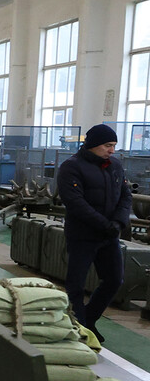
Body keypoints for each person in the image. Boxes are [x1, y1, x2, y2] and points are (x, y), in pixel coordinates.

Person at [58, 123, 132, 344]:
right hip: (83, 236)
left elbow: (125, 196)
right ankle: (78, 330)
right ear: (92, 145)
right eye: (107, 145)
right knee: (76, 285)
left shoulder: (115, 166)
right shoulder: (71, 167)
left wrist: (118, 222)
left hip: (109, 236)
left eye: (114, 146)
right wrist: (104, 224)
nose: (111, 150)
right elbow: (75, 202)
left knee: (113, 280)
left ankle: (87, 322)